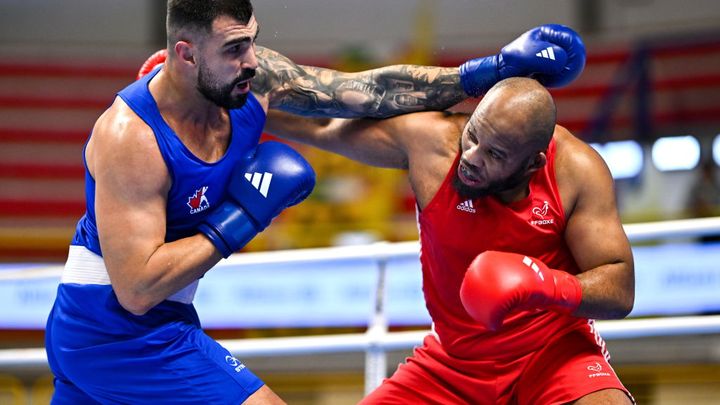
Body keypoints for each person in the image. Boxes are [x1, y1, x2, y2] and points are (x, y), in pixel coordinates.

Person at [43, 0, 586, 402]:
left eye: (252, 40)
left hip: (161, 320)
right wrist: (242, 217)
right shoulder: (129, 138)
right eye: (235, 49)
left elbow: (358, 97)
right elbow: (137, 290)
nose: (253, 60)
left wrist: (484, 73)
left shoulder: (248, 83)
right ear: (185, 55)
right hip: (115, 330)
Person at [265, 77, 636, 404]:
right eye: (473, 135)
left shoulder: (575, 170)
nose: (471, 157)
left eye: (495, 154)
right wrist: (242, 109)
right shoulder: (433, 144)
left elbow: (620, 289)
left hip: (552, 353)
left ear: (532, 164)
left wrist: (545, 284)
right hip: (452, 362)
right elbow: (325, 125)